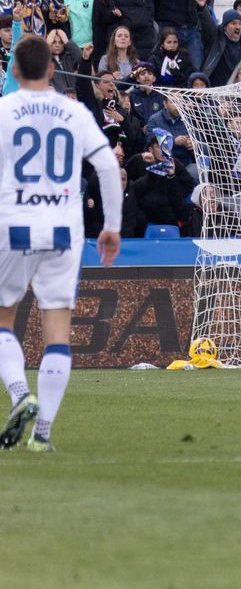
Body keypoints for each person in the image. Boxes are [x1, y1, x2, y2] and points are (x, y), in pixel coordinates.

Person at [0, 36, 122, 452]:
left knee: (3, 320)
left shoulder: (4, 110)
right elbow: (107, 164)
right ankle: (44, 433)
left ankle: (21, 395)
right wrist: (112, 226)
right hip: (63, 231)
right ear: (53, 69)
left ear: (14, 71)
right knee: (57, 332)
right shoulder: (73, 111)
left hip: (14, 225)